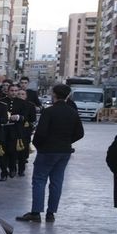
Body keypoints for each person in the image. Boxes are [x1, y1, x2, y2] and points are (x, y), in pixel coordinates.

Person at [19, 84, 85, 223]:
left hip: (47, 151)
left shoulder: (49, 112)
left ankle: (36, 212)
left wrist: (39, 146)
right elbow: (80, 133)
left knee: (39, 180)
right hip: (64, 151)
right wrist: (67, 141)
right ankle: (51, 213)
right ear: (67, 96)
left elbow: (40, 133)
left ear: (54, 94)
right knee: (57, 182)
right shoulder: (72, 112)